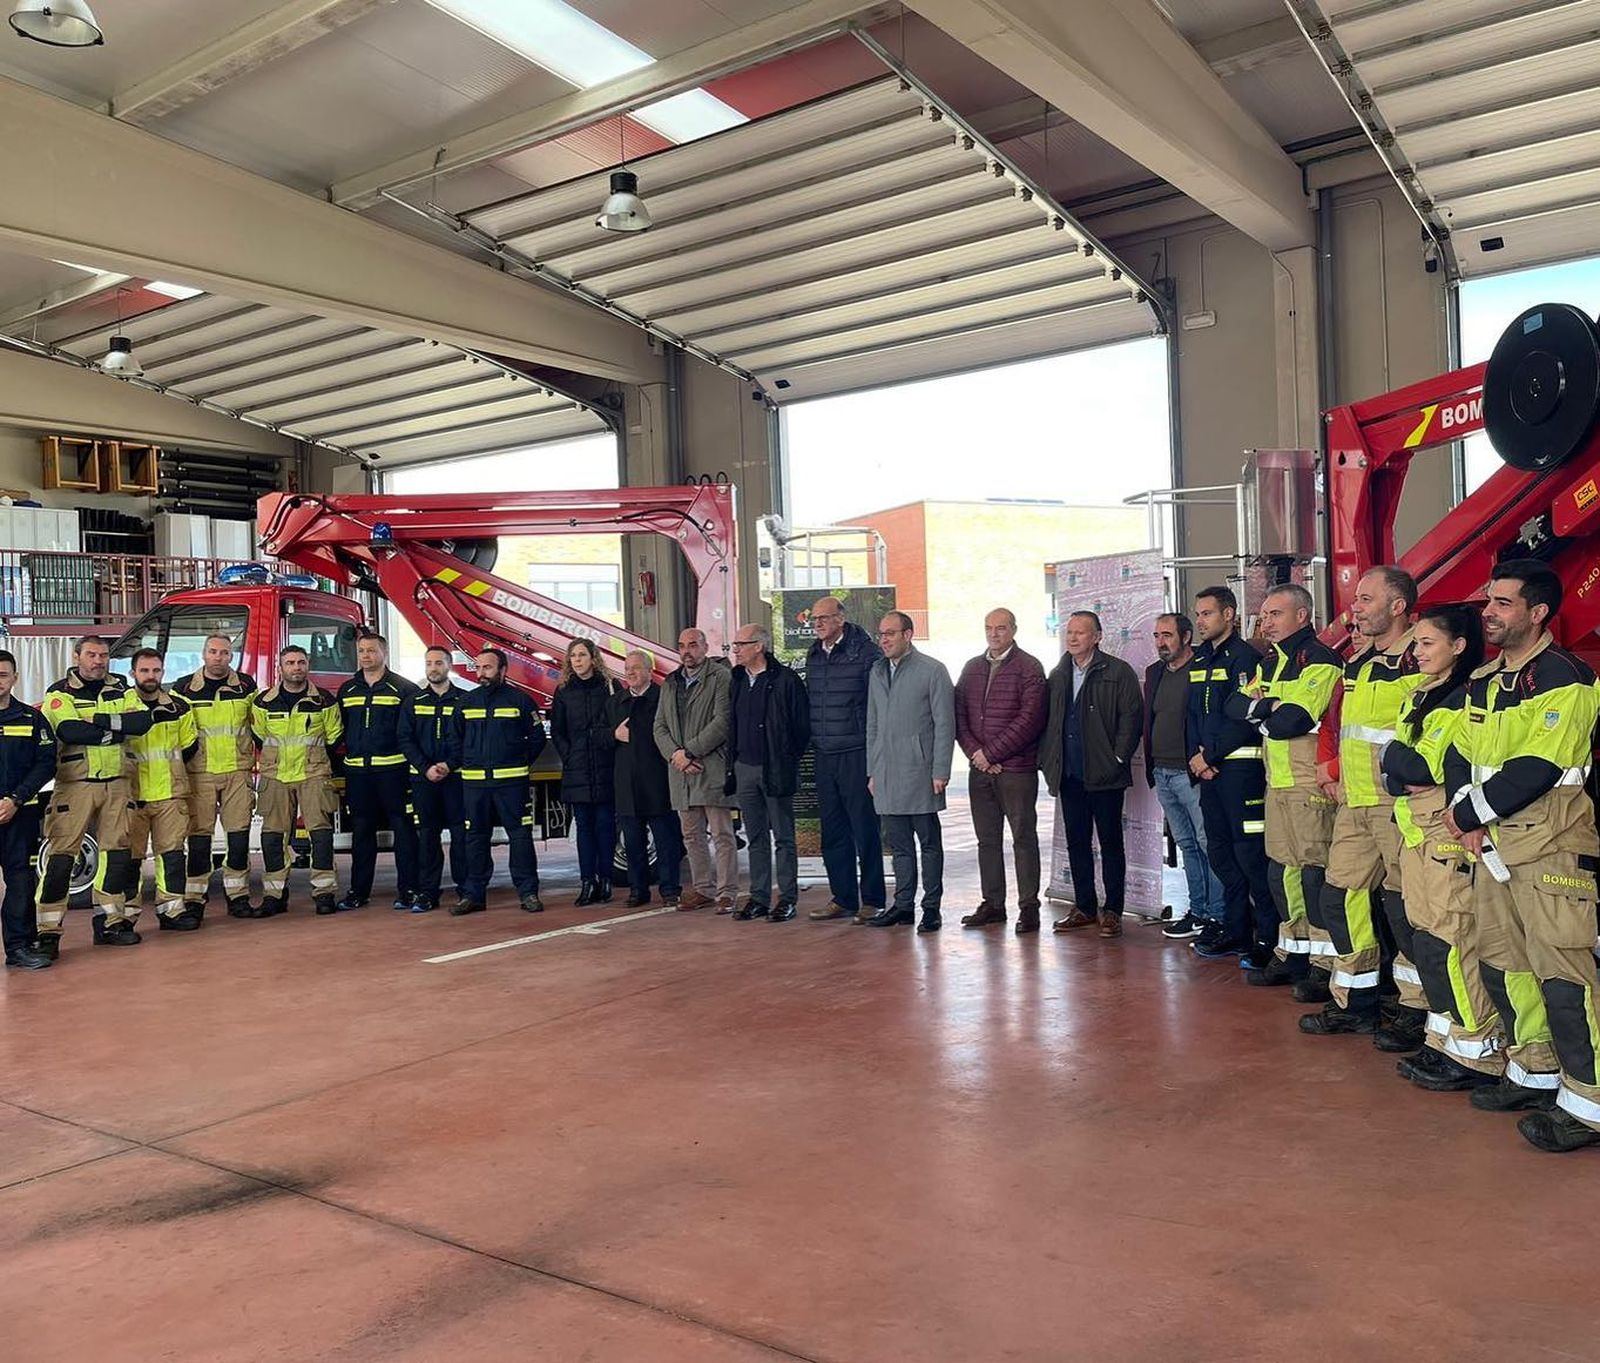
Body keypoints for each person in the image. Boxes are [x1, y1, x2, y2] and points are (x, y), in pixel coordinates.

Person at [1442, 560, 1600, 1153]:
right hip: (1493, 844)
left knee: (1566, 976)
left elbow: (1539, 767)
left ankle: (1589, 1103)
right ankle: (1534, 1071)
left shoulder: (1567, 677)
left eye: (1503, 603)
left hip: (1550, 845)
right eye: (1489, 600)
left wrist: (1464, 815)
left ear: (1537, 613)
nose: (1489, 611)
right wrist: (1470, 813)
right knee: (1506, 964)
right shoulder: (1483, 680)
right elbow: (1460, 750)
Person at [1379, 605, 1502, 1092]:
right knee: (1428, 943)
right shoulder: (1422, 694)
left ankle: (1477, 1054)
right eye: (1416, 643)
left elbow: (1419, 767)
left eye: (1428, 642)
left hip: (1443, 837)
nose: (1417, 651)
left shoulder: (1461, 700)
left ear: (1459, 646)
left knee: (1452, 943)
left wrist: (1396, 763)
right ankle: (1446, 1040)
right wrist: (1397, 764)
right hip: (1416, 835)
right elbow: (1396, 769)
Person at [1301, 567, 1426, 1044]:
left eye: (1367, 599)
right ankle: (1358, 1002)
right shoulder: (1359, 661)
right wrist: (1333, 771)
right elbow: (1342, 726)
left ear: (1398, 606)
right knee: (1340, 897)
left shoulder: (1421, 657)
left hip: (1399, 807)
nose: (1356, 607)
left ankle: (1417, 1011)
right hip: (1355, 804)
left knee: (1406, 909)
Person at [1225, 584, 1342, 989]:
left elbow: (1292, 721)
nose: (1266, 622)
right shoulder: (1270, 661)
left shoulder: (1320, 660)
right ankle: (1293, 951)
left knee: (1314, 876)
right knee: (1281, 872)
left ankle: (1324, 966)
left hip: (1309, 785)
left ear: (1302, 616)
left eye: (1275, 614)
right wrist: (1267, 709)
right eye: (1264, 614)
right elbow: (1233, 706)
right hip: (1277, 782)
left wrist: (1262, 710)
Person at [36, 634, 153, 956]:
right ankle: (48, 932)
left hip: (118, 784)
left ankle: (110, 924)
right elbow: (69, 731)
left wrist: (98, 722)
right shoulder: (59, 693)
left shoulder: (120, 689)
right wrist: (116, 731)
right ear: (77, 656)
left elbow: (143, 721)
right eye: (91, 655)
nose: (98, 661)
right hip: (75, 786)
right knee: (61, 860)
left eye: (103, 655)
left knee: (116, 856)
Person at [1039, 610, 1143, 939]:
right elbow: (1048, 722)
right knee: (1077, 843)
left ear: (1097, 637)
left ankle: (1112, 910)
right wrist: (1049, 760)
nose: (1072, 638)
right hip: (1070, 774)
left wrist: (1117, 757)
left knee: (1111, 843)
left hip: (1105, 774)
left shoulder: (1117, 671)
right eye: (1069, 632)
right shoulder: (1058, 674)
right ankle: (1084, 906)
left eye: (1080, 633)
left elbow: (1132, 718)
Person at [1186, 586, 1275, 963]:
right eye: (1198, 614)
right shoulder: (1200, 660)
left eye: (1207, 613)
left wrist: (1210, 756)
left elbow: (1244, 719)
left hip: (1240, 774)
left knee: (1252, 858)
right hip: (1209, 774)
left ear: (1229, 615)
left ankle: (1268, 940)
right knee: (1219, 852)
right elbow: (1192, 716)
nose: (1200, 621)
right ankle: (1238, 930)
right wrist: (1196, 756)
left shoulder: (1245, 659)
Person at [955, 608, 1047, 931]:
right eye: (989, 628)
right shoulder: (971, 668)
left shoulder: (1029, 668)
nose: (994, 634)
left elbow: (1030, 720)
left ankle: (1029, 906)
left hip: (1016, 770)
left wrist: (992, 753)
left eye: (1001, 628)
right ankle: (993, 903)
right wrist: (976, 754)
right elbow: (960, 716)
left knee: (1023, 837)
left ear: (1014, 630)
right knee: (987, 839)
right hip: (980, 770)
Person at [865, 611, 954, 932]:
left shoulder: (932, 671)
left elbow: (945, 724)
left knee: (929, 844)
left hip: (921, 773)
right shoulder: (876, 672)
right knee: (899, 846)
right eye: (881, 634)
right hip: (886, 774)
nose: (884, 639)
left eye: (890, 633)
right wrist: (872, 770)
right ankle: (903, 905)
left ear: (908, 634)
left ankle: (931, 907)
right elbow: (872, 725)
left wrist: (940, 769)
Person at [804, 595, 886, 923]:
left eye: (823, 618)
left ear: (841, 618)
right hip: (824, 753)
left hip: (856, 751)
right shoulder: (813, 654)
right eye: (814, 620)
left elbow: (878, 704)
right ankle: (843, 898)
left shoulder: (865, 653)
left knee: (865, 829)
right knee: (833, 831)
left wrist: (874, 755)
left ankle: (873, 899)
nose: (817, 624)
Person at [1142, 612, 1224, 940]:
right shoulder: (1155, 673)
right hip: (1162, 771)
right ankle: (1199, 911)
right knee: (1188, 844)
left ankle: (1218, 915)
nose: (1161, 642)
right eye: (1157, 635)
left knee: (1207, 844)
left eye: (1167, 635)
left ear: (1186, 637)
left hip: (1192, 772)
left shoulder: (1202, 668)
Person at [249, 645, 342, 917]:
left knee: (320, 834)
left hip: (313, 774)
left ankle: (324, 893)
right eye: (290, 663)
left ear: (308, 664)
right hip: (275, 775)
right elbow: (258, 736)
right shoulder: (263, 702)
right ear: (280, 667)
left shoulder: (324, 701)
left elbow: (334, 737)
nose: (296, 667)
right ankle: (274, 895)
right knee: (273, 836)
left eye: (301, 662)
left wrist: (320, 764)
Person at [726, 623, 810, 922]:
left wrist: (786, 759)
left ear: (759, 646)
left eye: (740, 644)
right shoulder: (736, 679)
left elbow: (801, 729)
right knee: (756, 836)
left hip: (775, 769)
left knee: (784, 837)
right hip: (744, 768)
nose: (735, 649)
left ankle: (787, 898)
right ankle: (759, 897)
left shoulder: (785, 680)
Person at [454, 647, 546, 916]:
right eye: (479, 668)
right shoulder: (466, 703)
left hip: (512, 785)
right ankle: (473, 895)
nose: (481, 673)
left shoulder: (521, 701)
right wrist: (468, 762)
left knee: (520, 837)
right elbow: (454, 739)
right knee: (475, 839)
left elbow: (537, 738)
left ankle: (528, 892)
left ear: (503, 671)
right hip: (474, 785)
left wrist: (518, 763)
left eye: (488, 668)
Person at [335, 633, 420, 912]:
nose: (366, 656)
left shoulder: (403, 689)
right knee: (361, 834)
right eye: (361, 651)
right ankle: (358, 892)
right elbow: (341, 731)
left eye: (371, 650)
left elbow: (411, 733)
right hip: (359, 775)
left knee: (404, 832)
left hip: (394, 772)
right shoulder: (347, 690)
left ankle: (408, 890)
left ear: (384, 652)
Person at [654, 627, 737, 912]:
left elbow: (723, 721)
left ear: (704, 647)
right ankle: (703, 889)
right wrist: (676, 756)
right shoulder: (670, 682)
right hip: (681, 772)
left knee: (722, 834)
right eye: (682, 646)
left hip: (710, 766)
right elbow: (659, 726)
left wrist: (690, 752)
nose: (686, 651)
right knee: (691, 836)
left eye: (692, 645)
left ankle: (727, 892)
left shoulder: (720, 677)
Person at [121, 649, 202, 933]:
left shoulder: (179, 706)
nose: (150, 676)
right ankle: (126, 916)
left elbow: (190, 746)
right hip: (133, 794)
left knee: (172, 855)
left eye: (156, 671)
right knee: (131, 859)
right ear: (133, 674)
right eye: (144, 671)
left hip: (170, 793)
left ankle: (172, 912)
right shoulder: (120, 705)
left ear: (162, 673)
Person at [176, 633, 257, 919]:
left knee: (238, 838)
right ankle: (195, 898)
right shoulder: (183, 688)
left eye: (223, 653)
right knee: (199, 840)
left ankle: (238, 896)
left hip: (237, 771)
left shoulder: (246, 686)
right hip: (200, 773)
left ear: (231, 656)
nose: (218, 657)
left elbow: (257, 725)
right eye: (213, 651)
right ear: (203, 654)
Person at [611, 649, 684, 909]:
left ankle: (670, 890)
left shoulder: (664, 698)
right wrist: (613, 735)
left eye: (636, 667)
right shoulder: (616, 702)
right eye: (627, 667)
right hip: (626, 784)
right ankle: (638, 890)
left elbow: (669, 735)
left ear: (650, 671)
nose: (630, 672)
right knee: (633, 843)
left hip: (657, 782)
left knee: (666, 841)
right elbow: (599, 737)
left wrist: (636, 736)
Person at [399, 645, 469, 913]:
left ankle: (466, 889)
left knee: (461, 836)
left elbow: (469, 741)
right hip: (423, 780)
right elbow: (405, 739)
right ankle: (428, 892)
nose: (433, 668)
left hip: (456, 780)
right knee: (428, 837)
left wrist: (449, 765)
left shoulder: (464, 701)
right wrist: (426, 767)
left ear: (448, 666)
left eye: (438, 663)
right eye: (428, 663)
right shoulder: (414, 702)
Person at [0, 650, 56, 969]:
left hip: (20, 816)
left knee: (21, 883)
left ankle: (19, 947)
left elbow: (45, 763)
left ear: (15, 678)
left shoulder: (32, 719)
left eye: (3, 675)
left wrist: (15, 799)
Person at [550, 638, 617, 907]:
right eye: (573, 656)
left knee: (606, 827)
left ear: (593, 658)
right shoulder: (564, 691)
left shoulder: (610, 687)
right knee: (584, 829)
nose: (577, 660)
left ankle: (606, 880)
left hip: (605, 767)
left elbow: (618, 723)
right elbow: (558, 730)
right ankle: (587, 882)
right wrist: (569, 756)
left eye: (582, 655)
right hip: (577, 769)